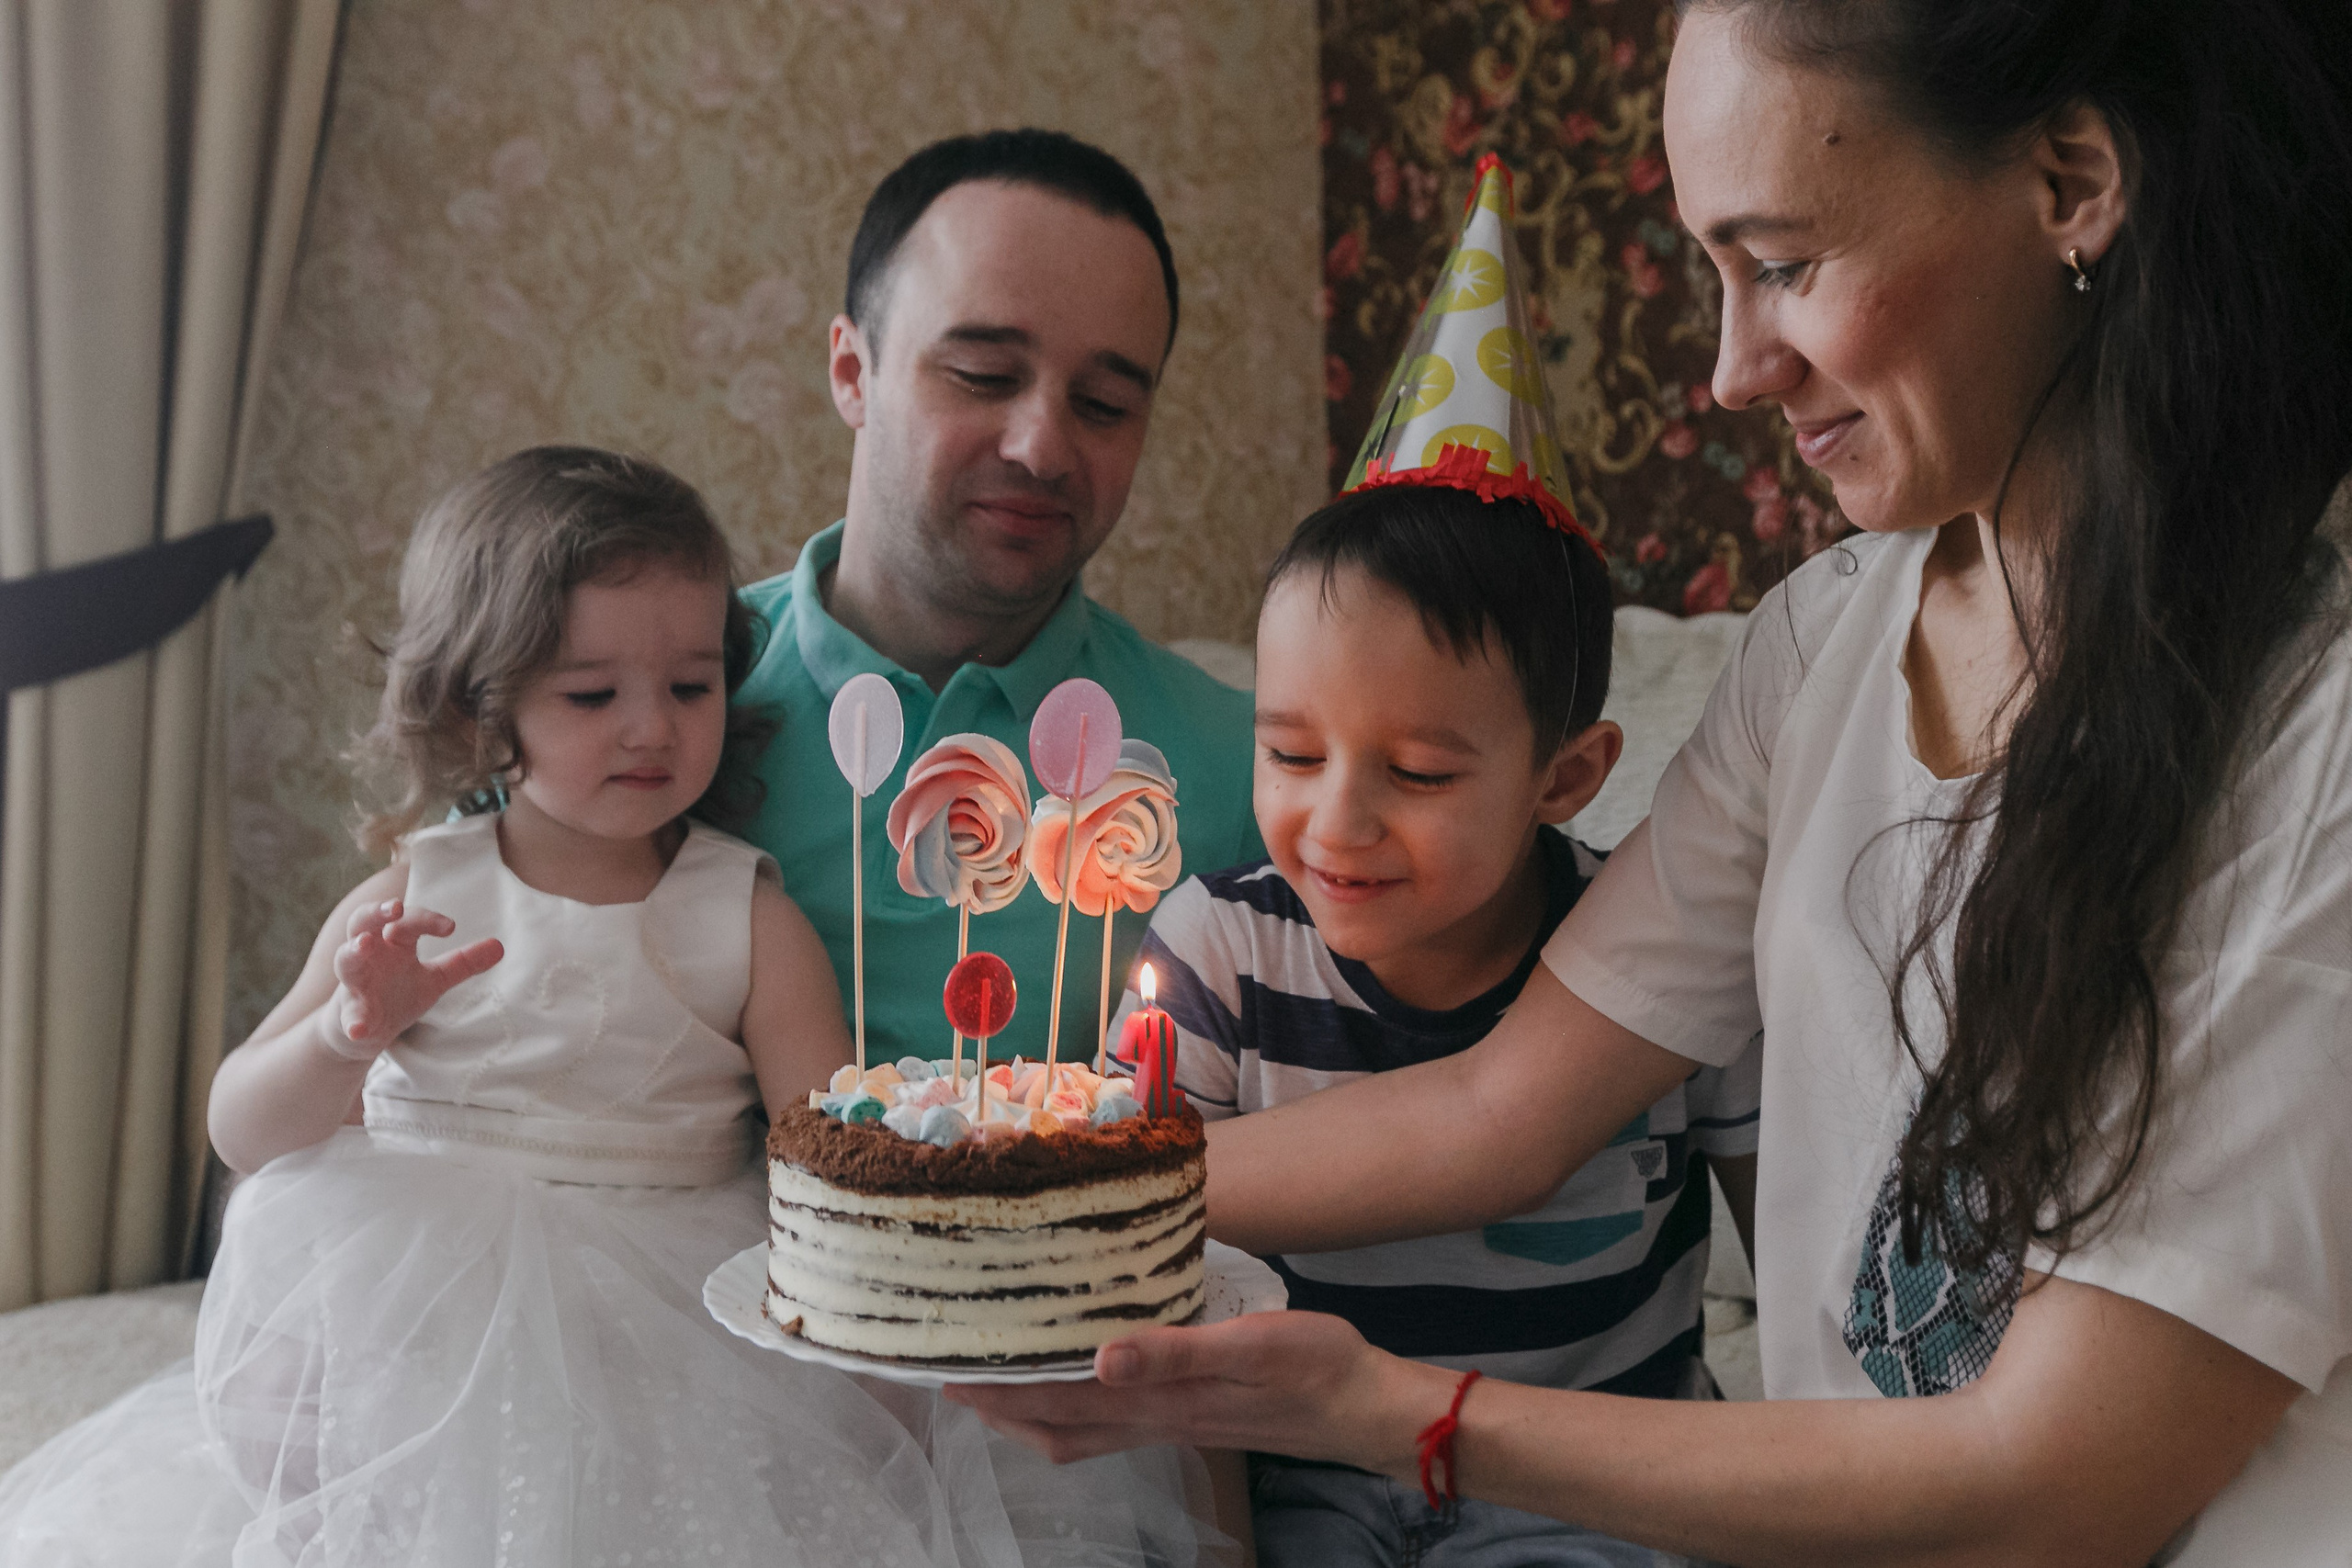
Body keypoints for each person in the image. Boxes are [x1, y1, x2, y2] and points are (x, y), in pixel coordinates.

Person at [951, 5, 2352, 1564]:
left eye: (1786, 263)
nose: (1733, 370)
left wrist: (1396, 1411)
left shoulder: (2317, 739)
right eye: (1712, 273)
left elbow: (2056, 1488)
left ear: (2071, 183)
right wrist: (1007, 1194)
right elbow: (1503, 1108)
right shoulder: (1819, 645)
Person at [0, 447, 1224, 1567]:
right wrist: (346, 1034)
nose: (652, 727)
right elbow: (243, 1127)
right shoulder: (416, 895)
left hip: (663, 1299)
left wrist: (887, 1379)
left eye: (691, 684)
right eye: (592, 695)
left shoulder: (743, 910)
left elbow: (830, 1153)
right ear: (481, 708)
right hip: (413, 1292)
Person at [1115, 478, 1760, 1568]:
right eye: (1292, 755)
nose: (1336, 823)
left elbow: (1806, 1271)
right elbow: (1166, 1307)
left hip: (1588, 1489)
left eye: (1417, 773)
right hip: (1308, 1484)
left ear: (1565, 776)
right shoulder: (1216, 956)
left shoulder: (1659, 955)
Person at [733, 129, 1261, 1066]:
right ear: (853, 372)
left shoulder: (1249, 775)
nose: (1041, 448)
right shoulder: (642, 701)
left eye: (1103, 405)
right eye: (983, 377)